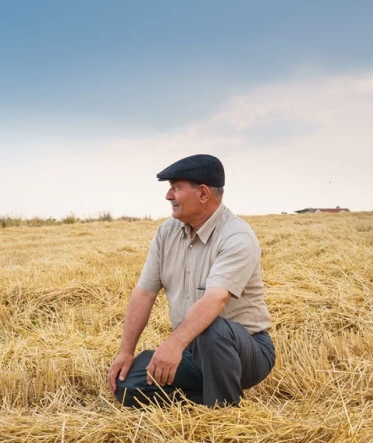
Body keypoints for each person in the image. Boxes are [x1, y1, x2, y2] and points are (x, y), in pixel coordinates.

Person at [107, 154, 275, 408]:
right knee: (128, 384)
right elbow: (144, 293)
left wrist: (173, 344)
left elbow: (215, 299)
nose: (168, 196)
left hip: (244, 352)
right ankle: (201, 402)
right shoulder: (167, 232)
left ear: (203, 194)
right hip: (192, 350)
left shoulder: (237, 236)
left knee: (212, 329)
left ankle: (224, 413)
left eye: (175, 187)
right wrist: (126, 351)